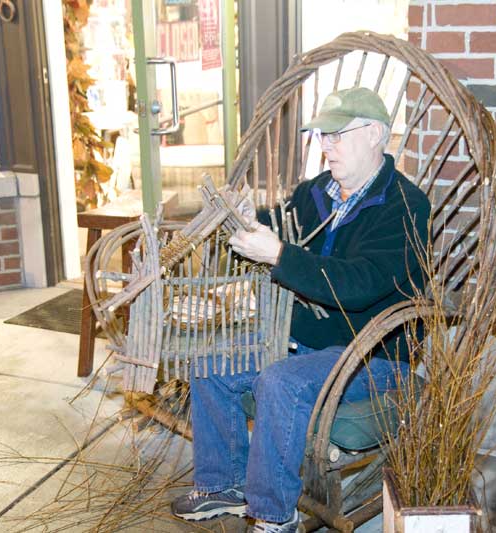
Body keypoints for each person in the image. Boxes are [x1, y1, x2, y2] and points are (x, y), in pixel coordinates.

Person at [171, 87, 431, 533]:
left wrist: (278, 255)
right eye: (322, 135)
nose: (325, 145)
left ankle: (274, 516)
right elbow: (283, 222)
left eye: (336, 134)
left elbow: (359, 285)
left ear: (374, 134)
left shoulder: (404, 206)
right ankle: (224, 484)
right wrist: (251, 220)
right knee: (209, 361)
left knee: (281, 382)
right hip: (299, 341)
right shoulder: (317, 192)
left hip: (373, 356)